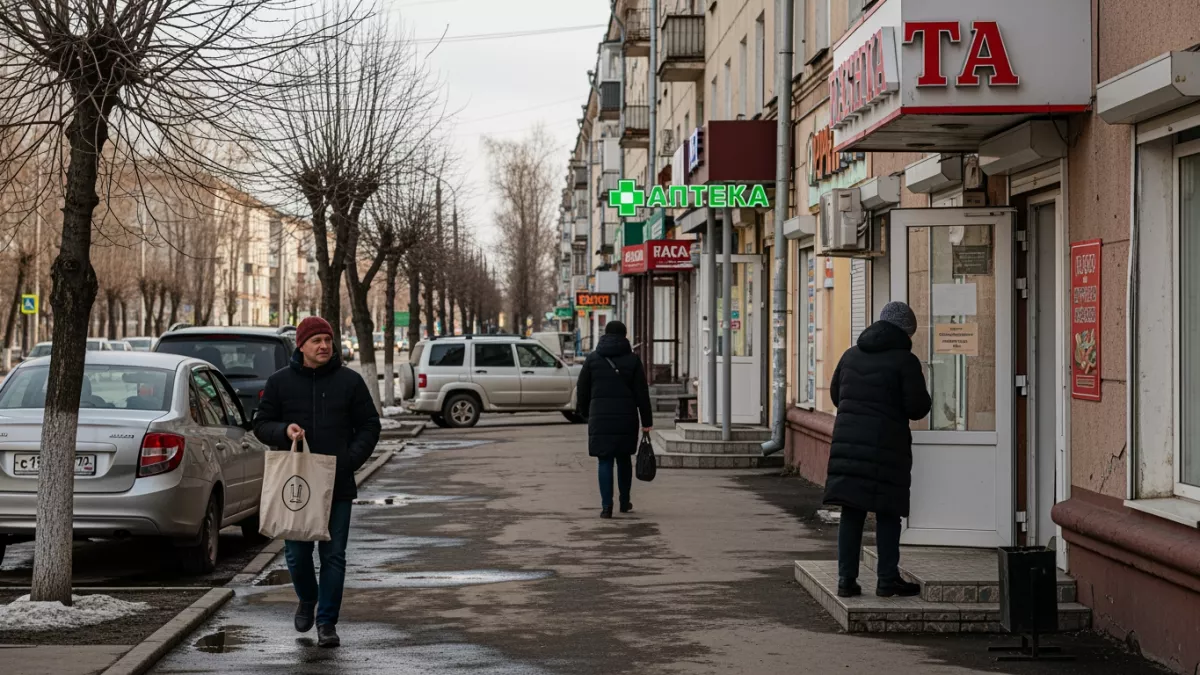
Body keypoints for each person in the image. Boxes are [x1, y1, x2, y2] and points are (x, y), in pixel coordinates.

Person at [253, 316, 382, 648]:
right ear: (301, 345)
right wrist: (284, 431)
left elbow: (370, 425)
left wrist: (349, 460)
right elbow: (261, 423)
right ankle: (308, 598)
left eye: (328, 339)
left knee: (333, 556)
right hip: (296, 486)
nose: (324, 346)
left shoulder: (350, 382)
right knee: (296, 555)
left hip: (336, 484)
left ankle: (327, 622)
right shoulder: (280, 382)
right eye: (316, 341)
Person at [824, 301, 932, 599]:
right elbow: (917, 408)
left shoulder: (850, 355)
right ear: (907, 331)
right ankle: (887, 580)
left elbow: (836, 396)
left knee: (852, 512)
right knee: (888, 512)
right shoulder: (905, 361)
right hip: (887, 447)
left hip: (848, 445)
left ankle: (846, 581)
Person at [575, 321, 654, 518]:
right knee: (624, 458)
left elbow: (582, 389)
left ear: (605, 334)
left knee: (604, 460)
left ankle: (606, 507)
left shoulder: (593, 359)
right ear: (624, 336)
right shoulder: (633, 360)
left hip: (599, 417)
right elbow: (641, 393)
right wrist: (647, 421)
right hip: (626, 417)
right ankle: (624, 501)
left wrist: (585, 412)